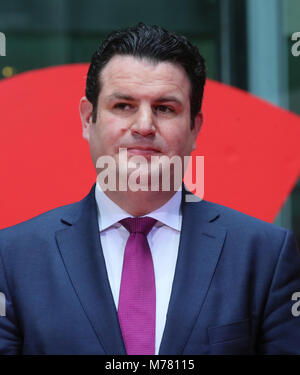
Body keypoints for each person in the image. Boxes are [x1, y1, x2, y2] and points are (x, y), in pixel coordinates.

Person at [0, 23, 299, 355]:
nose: (144, 126)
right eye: (123, 106)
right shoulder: (12, 258)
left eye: (165, 108)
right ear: (88, 119)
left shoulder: (264, 256)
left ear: (194, 128)